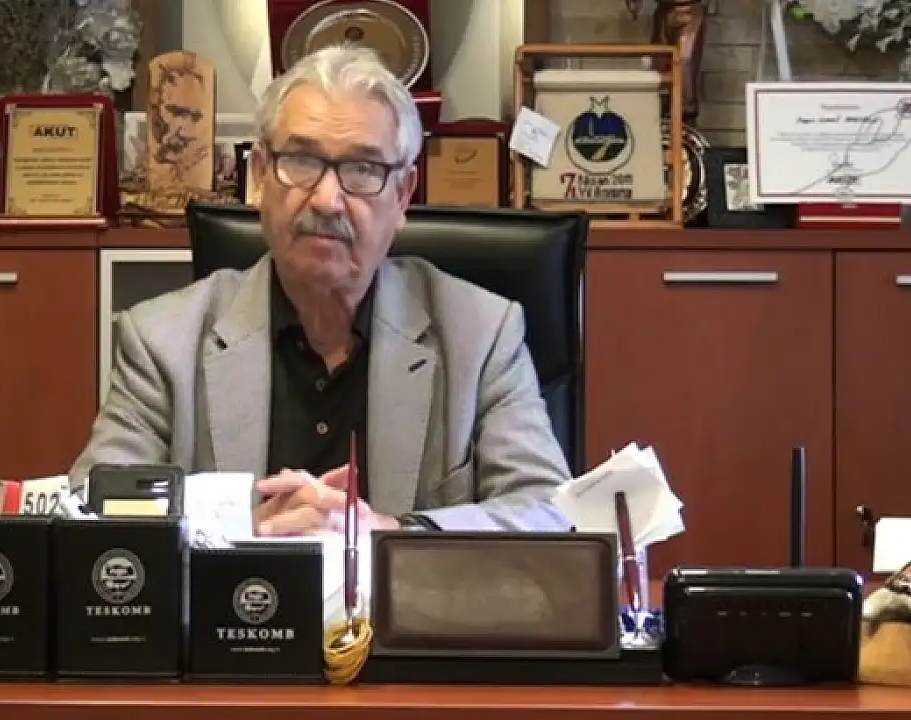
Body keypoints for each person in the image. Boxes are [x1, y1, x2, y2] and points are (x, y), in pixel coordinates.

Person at [70, 44, 574, 536]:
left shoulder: (482, 336)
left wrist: (387, 535)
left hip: (399, 596)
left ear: (403, 196)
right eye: (302, 161)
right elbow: (89, 512)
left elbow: (550, 516)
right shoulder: (161, 341)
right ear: (260, 176)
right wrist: (243, 530)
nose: (328, 200)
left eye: (363, 169)